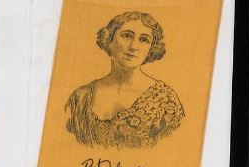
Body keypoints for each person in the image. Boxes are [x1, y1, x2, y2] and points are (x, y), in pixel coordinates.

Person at [63, 11, 184, 150]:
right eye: (127, 36)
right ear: (110, 39)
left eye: (144, 39)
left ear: (151, 49)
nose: (133, 46)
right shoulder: (79, 97)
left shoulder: (165, 101)